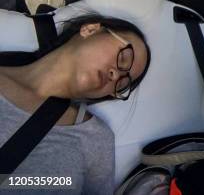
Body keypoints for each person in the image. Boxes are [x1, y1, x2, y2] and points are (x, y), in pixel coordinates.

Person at [0, 14, 151, 195]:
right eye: (124, 58)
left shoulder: (96, 140)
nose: (116, 75)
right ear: (90, 29)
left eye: (123, 83)